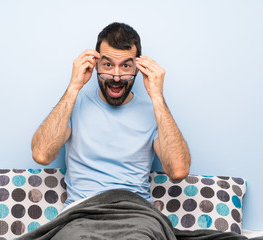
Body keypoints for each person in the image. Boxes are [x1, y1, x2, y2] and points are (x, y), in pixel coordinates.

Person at [31, 22, 191, 210]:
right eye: (108, 65)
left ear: (138, 68)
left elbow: (178, 171)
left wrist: (157, 96)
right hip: (82, 213)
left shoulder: (155, 111)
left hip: (136, 214)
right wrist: (73, 87)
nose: (116, 76)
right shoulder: (73, 104)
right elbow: (41, 155)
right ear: (95, 64)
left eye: (125, 66)